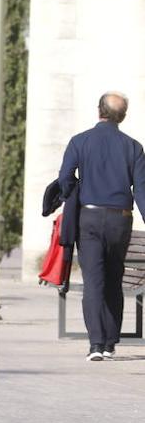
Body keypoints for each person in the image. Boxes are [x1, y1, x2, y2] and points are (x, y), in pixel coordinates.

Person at [58, 92, 145, 361]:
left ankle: (96, 344)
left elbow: (65, 178)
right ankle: (110, 342)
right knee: (114, 279)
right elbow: (141, 190)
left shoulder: (79, 141)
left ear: (99, 111)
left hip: (90, 218)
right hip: (121, 219)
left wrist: (72, 192)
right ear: (123, 116)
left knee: (93, 281)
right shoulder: (133, 147)